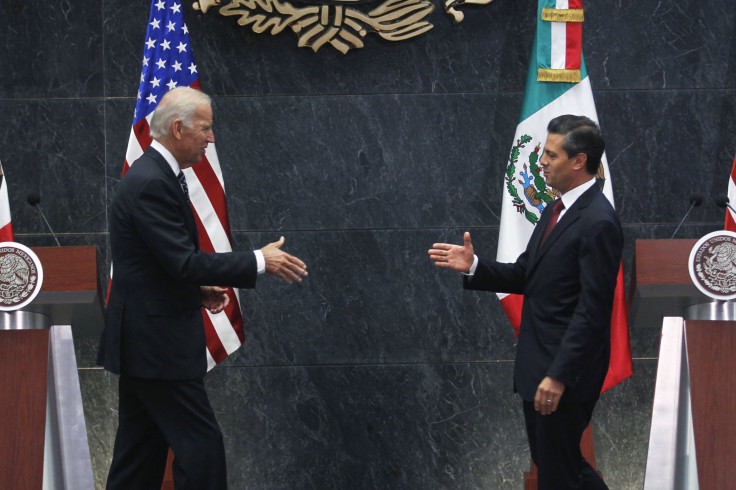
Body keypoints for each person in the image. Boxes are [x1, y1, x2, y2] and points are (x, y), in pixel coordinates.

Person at [97, 86, 308, 490]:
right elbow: (183, 261)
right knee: (201, 449)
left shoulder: (154, 175)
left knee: (139, 457)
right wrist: (260, 260)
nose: (211, 139)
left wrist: (196, 293)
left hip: (146, 341)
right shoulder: (151, 183)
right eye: (206, 129)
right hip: (157, 346)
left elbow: (155, 267)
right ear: (178, 129)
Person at [428, 115, 621, 489]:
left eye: (551, 154)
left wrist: (559, 374)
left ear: (579, 161)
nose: (542, 162)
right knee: (557, 466)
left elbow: (593, 311)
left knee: (560, 471)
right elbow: (526, 274)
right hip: (540, 367)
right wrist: (475, 266)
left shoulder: (597, 220)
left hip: (564, 373)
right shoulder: (555, 210)